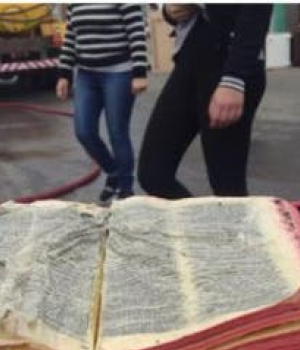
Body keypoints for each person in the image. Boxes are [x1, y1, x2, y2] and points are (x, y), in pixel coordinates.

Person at [137, 4, 272, 199]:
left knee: (227, 188)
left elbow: (256, 10)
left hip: (229, 62)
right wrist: (169, 12)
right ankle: (203, 226)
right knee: (153, 174)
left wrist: (234, 79)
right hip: (189, 60)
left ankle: (231, 227)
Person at [57, 4, 149, 204]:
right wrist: (64, 74)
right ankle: (113, 171)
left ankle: (126, 190)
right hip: (86, 75)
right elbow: (71, 37)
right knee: (84, 131)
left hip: (119, 73)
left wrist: (140, 72)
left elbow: (136, 32)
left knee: (117, 132)